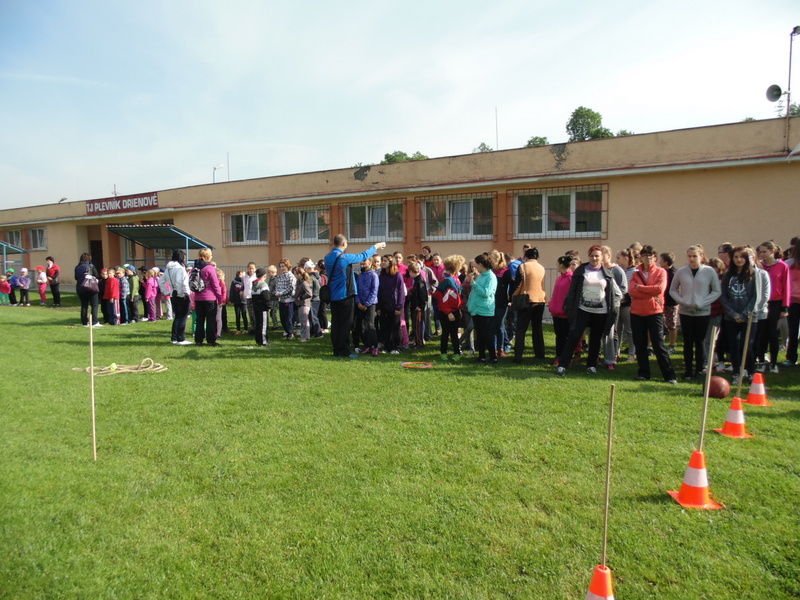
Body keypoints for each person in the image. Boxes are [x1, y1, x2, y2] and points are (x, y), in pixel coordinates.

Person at [556, 245, 620, 377]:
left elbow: (613, 292)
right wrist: (569, 307)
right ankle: (562, 365)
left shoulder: (607, 273)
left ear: (602, 257)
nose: (594, 258)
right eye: (592, 255)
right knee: (574, 336)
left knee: (595, 339)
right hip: (582, 310)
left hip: (601, 312)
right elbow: (573, 291)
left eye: (597, 256)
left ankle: (591, 365)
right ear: (588, 256)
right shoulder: (581, 270)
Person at [325, 235, 386, 358]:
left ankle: (337, 351)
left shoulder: (327, 257)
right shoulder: (344, 257)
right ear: (344, 244)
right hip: (345, 295)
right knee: (345, 325)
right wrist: (376, 246)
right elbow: (362, 256)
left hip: (333, 296)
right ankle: (344, 352)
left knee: (336, 324)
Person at [670, 245, 721, 379]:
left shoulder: (709, 271)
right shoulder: (681, 271)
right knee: (688, 341)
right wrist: (682, 301)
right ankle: (688, 370)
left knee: (700, 341)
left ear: (701, 256)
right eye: (689, 256)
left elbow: (716, 291)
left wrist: (703, 302)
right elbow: (672, 290)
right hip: (685, 311)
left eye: (695, 256)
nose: (692, 259)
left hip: (702, 312)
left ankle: (698, 370)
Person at [628, 245, 677, 383]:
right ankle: (643, 373)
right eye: (645, 255)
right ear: (641, 257)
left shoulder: (661, 272)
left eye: (650, 255)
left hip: (654, 312)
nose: (648, 258)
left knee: (658, 344)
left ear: (655, 257)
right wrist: (649, 291)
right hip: (637, 312)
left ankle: (669, 375)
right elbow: (632, 291)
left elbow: (659, 289)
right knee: (640, 344)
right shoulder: (636, 273)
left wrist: (641, 288)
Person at [720, 246, 758, 385]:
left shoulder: (754, 274)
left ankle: (751, 371)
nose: (739, 259)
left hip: (749, 317)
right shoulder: (728, 275)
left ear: (747, 259)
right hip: (731, 317)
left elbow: (755, 297)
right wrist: (733, 314)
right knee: (734, 345)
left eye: (742, 257)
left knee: (747, 345)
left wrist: (744, 314)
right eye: (736, 257)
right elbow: (723, 296)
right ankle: (737, 372)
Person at [756, 241, 790, 373]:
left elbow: (786, 286)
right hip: (761, 302)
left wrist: (785, 307)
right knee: (762, 333)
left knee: (773, 333)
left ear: (772, 251)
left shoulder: (782, 266)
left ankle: (774, 362)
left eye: (764, 251)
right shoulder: (760, 265)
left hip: (776, 302)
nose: (762, 254)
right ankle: (761, 361)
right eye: (760, 252)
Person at [511, 247, 546, 363]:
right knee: (537, 328)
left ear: (526, 256)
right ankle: (540, 354)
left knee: (521, 329)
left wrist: (513, 296)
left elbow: (518, 284)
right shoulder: (541, 267)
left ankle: (518, 356)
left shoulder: (523, 266)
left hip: (526, 300)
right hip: (540, 300)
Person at [433, 254, 465, 360]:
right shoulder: (446, 280)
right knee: (446, 332)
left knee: (454, 333)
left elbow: (458, 295)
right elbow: (442, 298)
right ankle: (444, 352)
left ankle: (457, 353)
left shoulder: (455, 278)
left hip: (455, 310)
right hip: (446, 311)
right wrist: (448, 312)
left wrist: (459, 309)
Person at [467, 254, 498, 364]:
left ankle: (493, 357)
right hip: (476, 309)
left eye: (475, 264)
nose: (474, 267)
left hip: (485, 310)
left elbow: (486, 293)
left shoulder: (491, 277)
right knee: (479, 334)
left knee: (487, 335)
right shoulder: (480, 276)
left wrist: (474, 283)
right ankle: (481, 357)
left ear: (480, 264)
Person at [192, 248, 224, 346]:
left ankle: (198, 340)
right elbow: (215, 285)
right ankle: (211, 340)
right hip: (209, 297)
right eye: (210, 255)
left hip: (198, 297)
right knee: (210, 320)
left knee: (200, 320)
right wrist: (220, 298)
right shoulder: (209, 268)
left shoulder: (195, 268)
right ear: (207, 256)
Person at [377, 255, 406, 354]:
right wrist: (379, 307)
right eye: (382, 260)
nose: (383, 262)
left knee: (396, 327)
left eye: (385, 261)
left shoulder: (397, 275)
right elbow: (379, 292)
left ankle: (397, 347)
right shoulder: (381, 276)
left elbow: (401, 292)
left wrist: (399, 306)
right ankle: (387, 346)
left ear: (390, 262)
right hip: (384, 306)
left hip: (395, 306)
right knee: (386, 327)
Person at [163, 250, 191, 345]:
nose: (184, 259)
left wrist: (167, 291)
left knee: (177, 317)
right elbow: (180, 282)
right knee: (183, 317)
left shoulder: (168, 269)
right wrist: (182, 294)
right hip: (180, 294)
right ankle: (180, 338)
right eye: (184, 257)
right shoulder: (180, 268)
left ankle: (174, 338)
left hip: (173, 294)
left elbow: (161, 281)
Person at [549, 256, 573, 366]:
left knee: (565, 336)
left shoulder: (570, 278)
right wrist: (552, 305)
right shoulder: (559, 278)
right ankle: (558, 356)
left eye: (557, 264)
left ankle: (566, 358)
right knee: (559, 336)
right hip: (556, 312)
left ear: (562, 265)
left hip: (565, 313)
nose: (557, 266)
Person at [354, 257, 379, 355]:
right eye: (362, 261)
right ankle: (367, 346)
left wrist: (367, 304)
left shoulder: (373, 275)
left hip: (370, 304)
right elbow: (357, 290)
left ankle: (375, 346)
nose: (362, 263)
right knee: (363, 326)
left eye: (365, 261)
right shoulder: (360, 275)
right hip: (361, 303)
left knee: (370, 325)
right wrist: (358, 302)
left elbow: (374, 290)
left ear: (370, 262)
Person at [783, 236, 800, 367]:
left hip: (792, 301)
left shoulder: (788, 264)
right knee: (793, 331)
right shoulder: (788, 264)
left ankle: (791, 358)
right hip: (793, 300)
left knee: (793, 331)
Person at [75, 252, 102, 327]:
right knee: (94, 305)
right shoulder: (91, 266)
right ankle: (94, 321)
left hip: (80, 288)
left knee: (84, 305)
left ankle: (84, 322)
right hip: (91, 287)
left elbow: (76, 277)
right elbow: (96, 275)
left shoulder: (77, 267)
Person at [274, 259, 297, 339]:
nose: (282, 268)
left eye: (283, 266)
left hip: (289, 300)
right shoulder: (281, 276)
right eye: (281, 266)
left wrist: (281, 293)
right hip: (281, 300)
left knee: (288, 318)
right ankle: (287, 331)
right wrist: (277, 292)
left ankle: (291, 333)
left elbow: (291, 288)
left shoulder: (291, 276)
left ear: (288, 266)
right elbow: (277, 286)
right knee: (283, 318)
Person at [251, 267, 272, 346]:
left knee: (258, 324)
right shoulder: (263, 284)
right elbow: (266, 297)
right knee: (263, 325)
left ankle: (258, 340)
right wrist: (269, 306)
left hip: (256, 307)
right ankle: (263, 341)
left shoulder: (254, 284)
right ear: (264, 275)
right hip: (262, 308)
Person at [293, 266, 312, 342]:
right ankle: (303, 335)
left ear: (299, 274)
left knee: (304, 321)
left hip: (304, 304)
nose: (295, 275)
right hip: (300, 304)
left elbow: (309, 293)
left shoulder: (304, 283)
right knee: (302, 320)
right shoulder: (298, 282)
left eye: (295, 274)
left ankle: (306, 336)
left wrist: (301, 297)